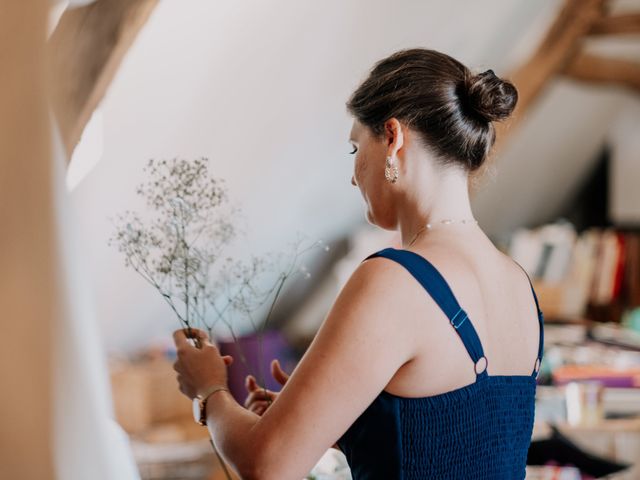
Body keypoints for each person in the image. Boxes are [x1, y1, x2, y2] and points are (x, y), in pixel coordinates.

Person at [173, 47, 544, 479]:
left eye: (354, 149)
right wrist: (321, 422)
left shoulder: (393, 280)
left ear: (393, 138)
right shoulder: (518, 283)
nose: (353, 175)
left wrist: (210, 389)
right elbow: (461, 437)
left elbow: (265, 465)